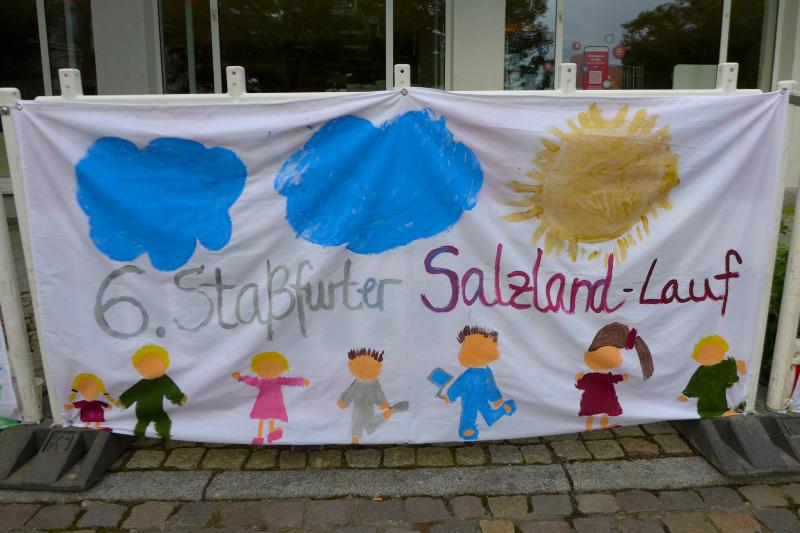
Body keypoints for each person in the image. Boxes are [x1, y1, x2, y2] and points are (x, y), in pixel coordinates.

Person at [442, 326, 516, 441]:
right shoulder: (471, 373)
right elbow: (458, 385)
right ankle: (467, 428)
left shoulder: (484, 373)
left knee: (487, 415)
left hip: (481, 398)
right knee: (468, 414)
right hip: (469, 399)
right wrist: (450, 396)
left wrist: (496, 399)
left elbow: (491, 387)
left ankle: (503, 410)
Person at [576, 322, 653, 431]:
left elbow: (581, 385)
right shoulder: (598, 376)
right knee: (602, 413)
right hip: (605, 399)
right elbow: (611, 379)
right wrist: (622, 377)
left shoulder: (590, 376)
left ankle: (593, 426)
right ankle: (597, 425)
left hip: (593, 399)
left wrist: (579, 380)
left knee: (594, 414)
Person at [232, 351, 309, 445]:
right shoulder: (262, 382)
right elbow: (252, 381)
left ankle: (271, 433)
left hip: (273, 403)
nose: (269, 372)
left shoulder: (277, 380)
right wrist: (241, 378)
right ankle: (260, 436)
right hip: (263, 403)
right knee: (262, 420)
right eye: (263, 369)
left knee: (270, 419)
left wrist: (301, 381)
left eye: (274, 368)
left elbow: (290, 381)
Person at [338, 348, 408, 444]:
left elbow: (377, 394)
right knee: (367, 427)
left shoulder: (368, 384)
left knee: (364, 425)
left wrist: (343, 402)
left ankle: (356, 437)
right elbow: (352, 392)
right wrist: (383, 404)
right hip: (362, 409)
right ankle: (386, 414)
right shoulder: (361, 383)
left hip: (364, 410)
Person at [119, 345, 187, 439]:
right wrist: (122, 402)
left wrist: (178, 398)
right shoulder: (142, 384)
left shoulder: (164, 380)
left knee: (164, 421)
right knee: (143, 422)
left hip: (158, 409)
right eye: (147, 367)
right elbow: (132, 393)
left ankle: (164, 434)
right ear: (140, 369)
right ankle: (138, 434)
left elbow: (171, 389)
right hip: (143, 409)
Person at [678, 335, 745, 418]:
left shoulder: (725, 365)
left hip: (719, 395)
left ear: (722, 353)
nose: (711, 356)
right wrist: (686, 395)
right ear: (698, 356)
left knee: (719, 401)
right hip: (704, 397)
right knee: (705, 405)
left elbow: (734, 369)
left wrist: (739, 366)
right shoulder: (701, 370)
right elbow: (694, 383)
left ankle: (721, 412)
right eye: (706, 353)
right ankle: (715, 413)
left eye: (716, 352)